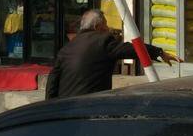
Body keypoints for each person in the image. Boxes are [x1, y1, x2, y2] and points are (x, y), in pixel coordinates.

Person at [45, 9, 182, 99]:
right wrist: (159, 52)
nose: (108, 28)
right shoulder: (103, 41)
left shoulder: (67, 48)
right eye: (105, 24)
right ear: (97, 27)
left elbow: (53, 79)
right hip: (89, 105)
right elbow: (131, 49)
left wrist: (49, 106)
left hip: (64, 107)